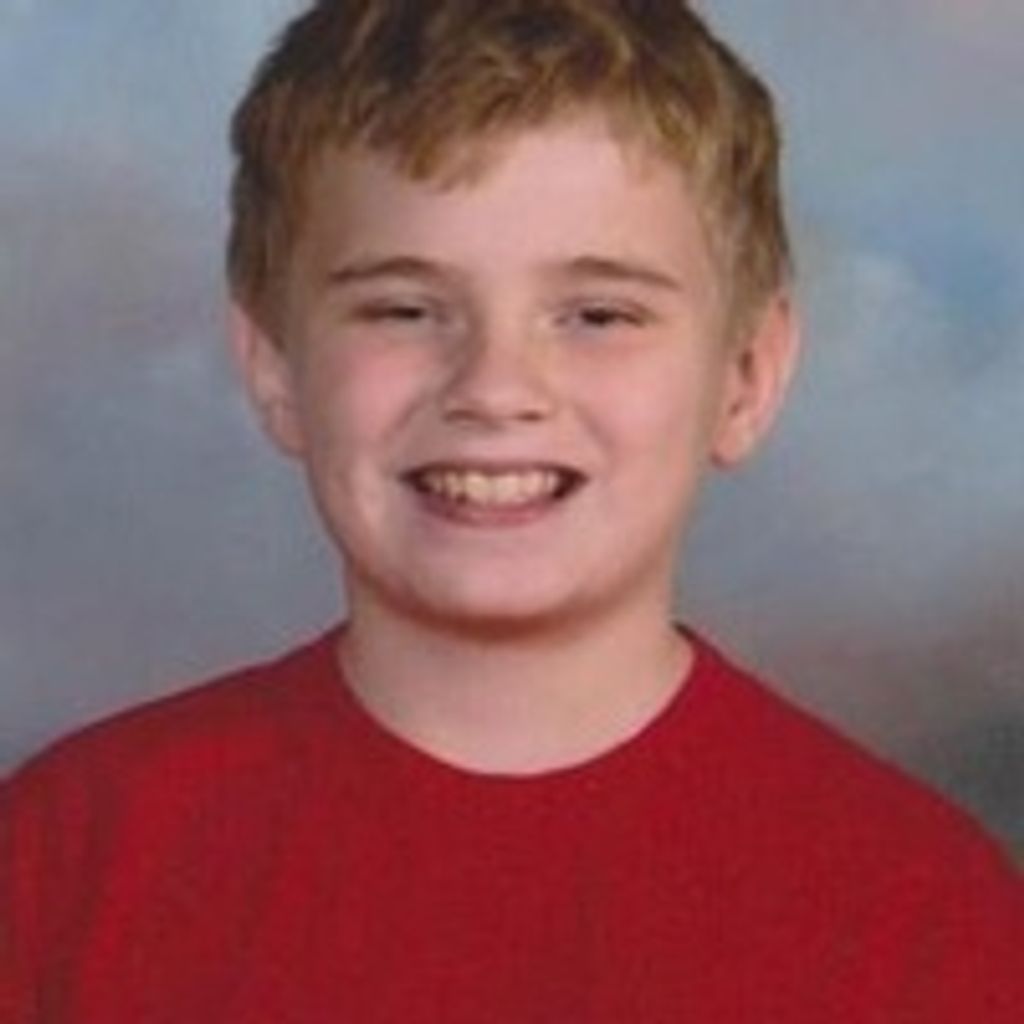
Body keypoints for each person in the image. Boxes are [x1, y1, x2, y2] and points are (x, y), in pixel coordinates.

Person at [2, 1, 1020, 1019]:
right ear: (274, 365)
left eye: (598, 315)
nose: (494, 389)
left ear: (745, 376)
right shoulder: (66, 860)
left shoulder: (927, 915)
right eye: (404, 310)